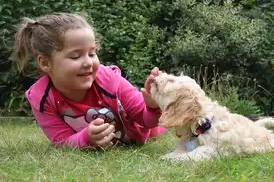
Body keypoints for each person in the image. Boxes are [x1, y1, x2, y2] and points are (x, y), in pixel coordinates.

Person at [13, 12, 167, 149]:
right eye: (75, 56)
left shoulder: (110, 81)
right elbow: (61, 141)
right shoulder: (42, 98)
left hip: (143, 134)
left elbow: (146, 119)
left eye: (92, 54)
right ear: (46, 63)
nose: (88, 62)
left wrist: (153, 107)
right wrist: (87, 138)